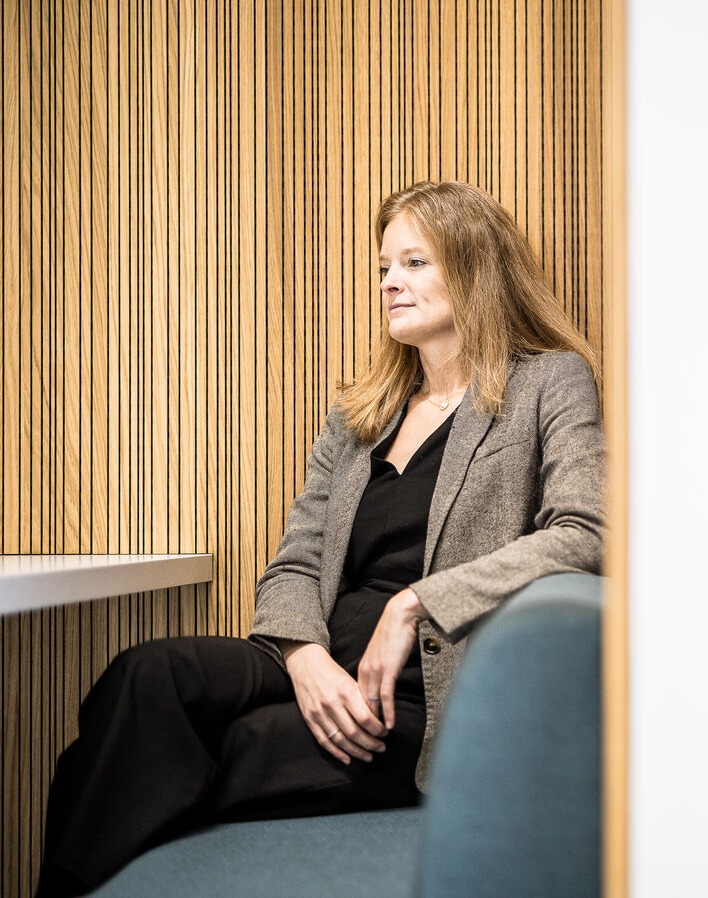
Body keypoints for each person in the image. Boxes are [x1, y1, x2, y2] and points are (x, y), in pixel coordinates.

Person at [35, 181, 607, 897]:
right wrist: (303, 657)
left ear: (475, 266)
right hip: (322, 659)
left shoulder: (549, 381)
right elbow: (296, 562)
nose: (389, 282)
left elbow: (587, 532)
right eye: (384, 266)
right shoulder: (360, 412)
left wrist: (416, 604)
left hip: (421, 698)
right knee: (146, 677)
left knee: (158, 754)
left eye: (414, 262)